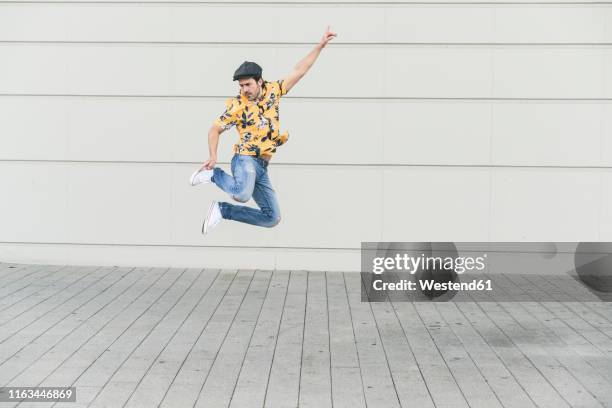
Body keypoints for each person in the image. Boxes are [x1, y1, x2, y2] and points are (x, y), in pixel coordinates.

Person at [190, 26, 337, 235]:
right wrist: (213, 157)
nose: (244, 90)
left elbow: (300, 71)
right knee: (241, 194)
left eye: (248, 85)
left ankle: (222, 210)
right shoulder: (237, 106)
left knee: (272, 218)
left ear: (260, 81)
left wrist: (320, 45)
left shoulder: (274, 91)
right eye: (241, 86)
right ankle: (214, 175)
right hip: (245, 159)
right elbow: (214, 129)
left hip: (261, 166)